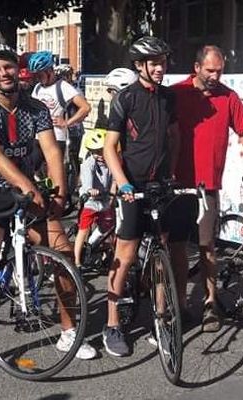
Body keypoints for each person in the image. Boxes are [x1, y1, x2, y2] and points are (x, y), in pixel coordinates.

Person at [0, 43, 96, 381]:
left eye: (7, 67)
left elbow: (51, 148)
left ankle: (67, 330)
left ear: (17, 70)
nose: (3, 73)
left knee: (61, 252)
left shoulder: (35, 107)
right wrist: (30, 188)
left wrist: (60, 193)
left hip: (28, 187)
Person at [170, 45, 243, 332]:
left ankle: (210, 303)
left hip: (208, 185)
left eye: (219, 70)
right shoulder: (176, 93)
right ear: (197, 67)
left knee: (207, 248)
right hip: (177, 184)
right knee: (176, 247)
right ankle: (178, 303)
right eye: (210, 70)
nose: (215, 75)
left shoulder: (228, 97)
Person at [102, 36, 178, 357]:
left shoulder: (168, 97)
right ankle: (112, 323)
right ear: (139, 66)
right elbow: (109, 147)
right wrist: (123, 183)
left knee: (162, 253)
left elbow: (174, 138)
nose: (161, 68)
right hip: (133, 187)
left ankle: (161, 319)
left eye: (163, 62)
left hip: (160, 186)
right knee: (127, 254)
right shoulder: (126, 98)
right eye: (155, 62)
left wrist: (172, 174)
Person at [27, 51, 91, 155]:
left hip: (56, 137)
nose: (37, 78)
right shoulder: (38, 87)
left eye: (39, 74)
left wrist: (67, 123)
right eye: (35, 75)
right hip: (38, 137)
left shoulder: (63, 86)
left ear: (49, 71)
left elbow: (85, 107)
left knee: (54, 170)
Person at [73, 129, 115, 269]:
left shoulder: (110, 162)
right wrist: (91, 190)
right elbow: (87, 182)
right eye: (96, 151)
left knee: (109, 226)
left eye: (102, 150)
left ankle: (92, 246)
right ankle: (77, 261)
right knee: (83, 229)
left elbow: (114, 180)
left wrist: (114, 193)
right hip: (90, 201)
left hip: (104, 201)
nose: (100, 155)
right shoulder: (89, 164)